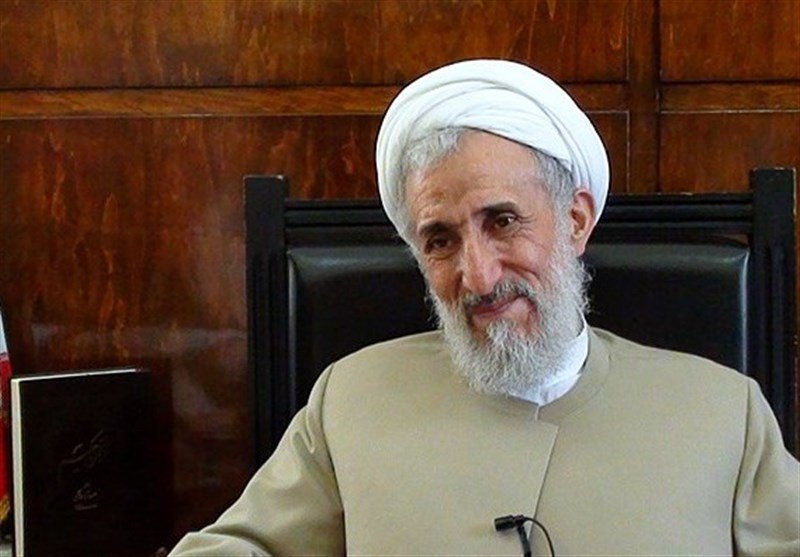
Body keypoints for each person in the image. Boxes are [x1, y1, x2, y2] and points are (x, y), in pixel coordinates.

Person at [171, 60, 799, 556]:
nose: (479, 276)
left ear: (575, 220)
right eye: (440, 240)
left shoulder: (723, 413)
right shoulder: (351, 400)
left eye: (502, 222)